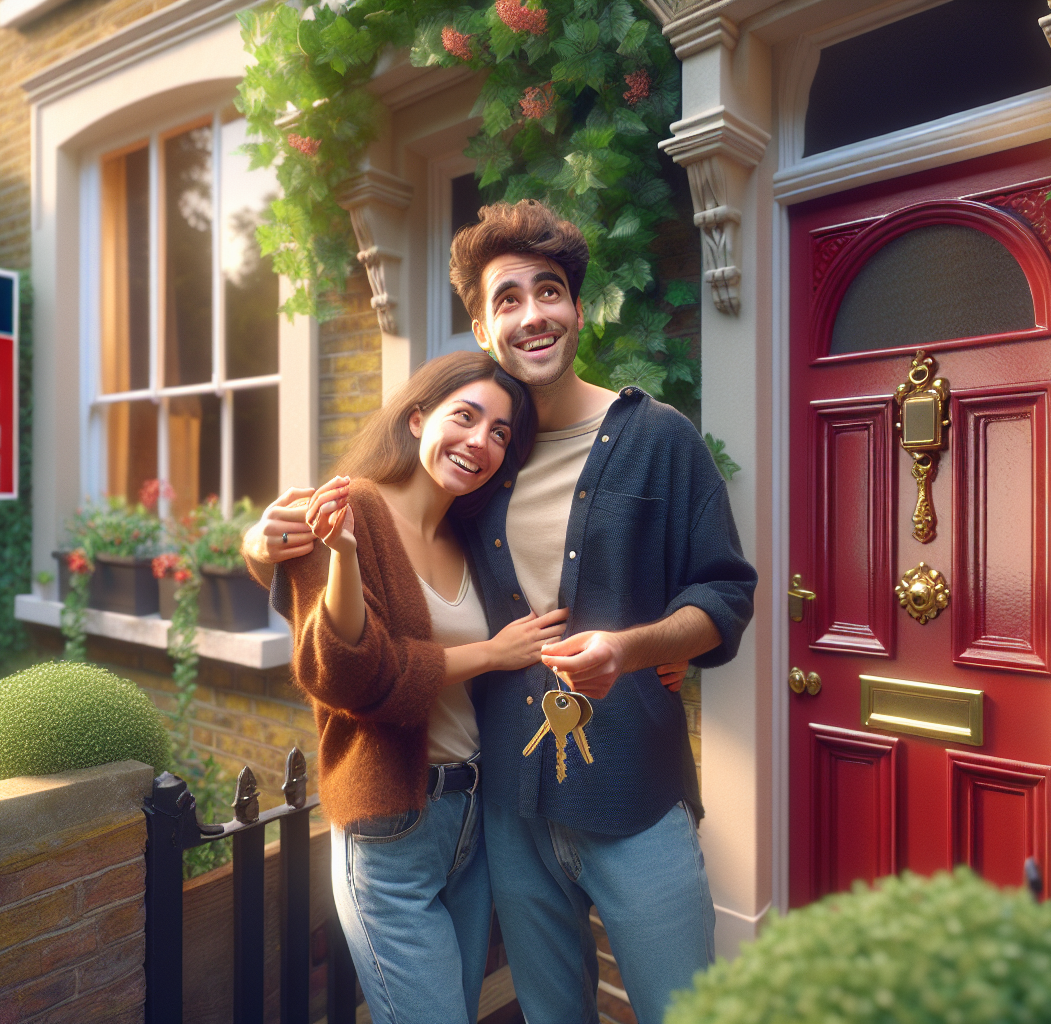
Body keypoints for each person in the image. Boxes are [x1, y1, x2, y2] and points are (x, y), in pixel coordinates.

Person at [252, 199, 757, 1024]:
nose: (533, 314)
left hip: (635, 792)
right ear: (483, 330)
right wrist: (259, 540)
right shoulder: (482, 464)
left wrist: (637, 647)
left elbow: (723, 594)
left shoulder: (659, 438)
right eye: (508, 299)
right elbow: (371, 537)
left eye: (549, 291)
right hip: (509, 813)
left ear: (578, 309)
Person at [243, 350, 565, 1024]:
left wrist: (663, 649)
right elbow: (353, 677)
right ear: (418, 419)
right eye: (466, 416)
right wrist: (341, 557)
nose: (481, 441)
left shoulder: (473, 535)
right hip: (393, 821)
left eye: (500, 433)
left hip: (475, 816)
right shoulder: (346, 507)